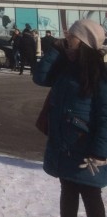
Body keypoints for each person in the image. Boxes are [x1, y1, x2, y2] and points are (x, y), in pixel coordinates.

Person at [33, 19, 107, 217]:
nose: (67, 40)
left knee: (91, 193)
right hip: (65, 146)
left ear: (83, 41)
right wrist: (56, 50)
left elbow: (105, 116)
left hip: (86, 148)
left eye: (71, 37)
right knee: (68, 190)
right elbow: (40, 77)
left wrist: (100, 152)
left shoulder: (99, 74)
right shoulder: (65, 66)